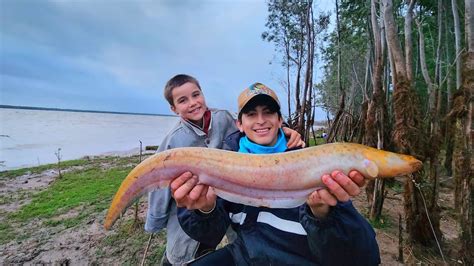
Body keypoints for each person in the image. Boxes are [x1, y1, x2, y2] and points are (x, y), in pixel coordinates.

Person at [171, 82, 381, 265]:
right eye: (251, 114)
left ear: (281, 120)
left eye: (268, 112)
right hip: (245, 256)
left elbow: (364, 255)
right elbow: (210, 235)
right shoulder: (224, 165)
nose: (261, 120)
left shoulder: (312, 164)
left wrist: (322, 214)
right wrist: (204, 210)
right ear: (239, 124)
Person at [145, 75, 305, 265]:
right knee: (181, 250)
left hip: (227, 196)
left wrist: (285, 130)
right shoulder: (172, 141)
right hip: (188, 201)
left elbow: (258, 126)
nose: (193, 103)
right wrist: (155, 221)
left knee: (232, 236)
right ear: (173, 108)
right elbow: (157, 181)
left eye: (196, 95)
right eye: (183, 100)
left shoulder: (224, 118)